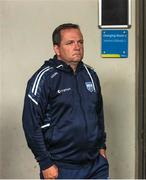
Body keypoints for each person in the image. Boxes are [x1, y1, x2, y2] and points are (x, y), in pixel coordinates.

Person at [22, 23, 109, 179]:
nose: (77, 47)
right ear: (57, 49)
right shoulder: (44, 78)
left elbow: (98, 114)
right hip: (61, 168)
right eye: (70, 43)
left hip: (95, 166)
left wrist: (102, 147)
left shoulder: (90, 74)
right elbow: (31, 124)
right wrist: (45, 163)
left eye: (80, 42)